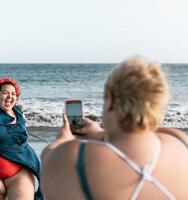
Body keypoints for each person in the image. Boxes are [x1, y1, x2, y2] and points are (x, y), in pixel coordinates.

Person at [41, 56, 188, 200]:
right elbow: (137, 136)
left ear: (110, 100)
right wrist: (99, 133)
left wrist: (63, 139)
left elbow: (47, 160)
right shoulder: (180, 141)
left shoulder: (74, 156)